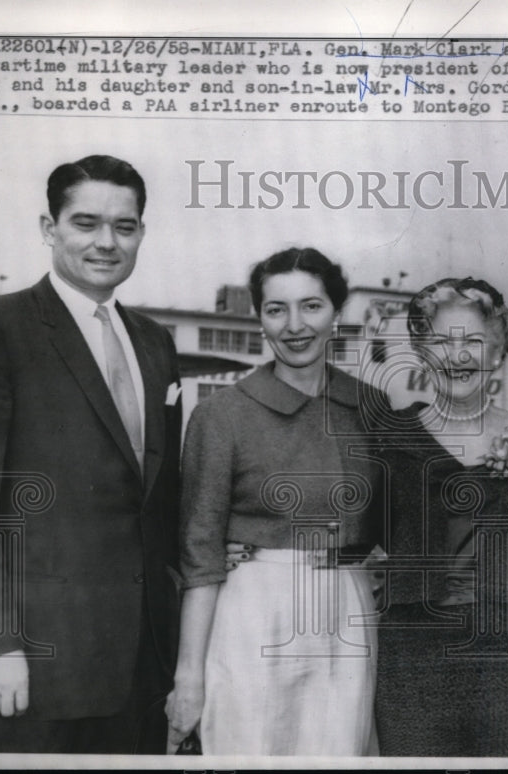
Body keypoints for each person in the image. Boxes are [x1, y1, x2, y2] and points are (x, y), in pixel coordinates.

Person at [0, 155, 182, 753]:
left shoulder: (154, 342)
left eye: (124, 226)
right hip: (29, 667)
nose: (106, 242)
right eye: (86, 222)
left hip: (140, 669)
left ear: (141, 233)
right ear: (50, 228)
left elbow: (155, 498)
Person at [165, 247, 389, 756]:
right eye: (276, 309)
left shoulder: (371, 410)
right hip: (253, 618)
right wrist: (189, 679)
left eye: (311, 306)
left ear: (338, 312)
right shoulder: (222, 417)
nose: (295, 325)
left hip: (345, 618)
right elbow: (199, 559)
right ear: (258, 318)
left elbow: (393, 526)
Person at [374, 277, 508, 757]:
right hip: (414, 662)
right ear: (421, 351)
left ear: (498, 352)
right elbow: (348, 527)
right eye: (441, 342)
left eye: (473, 342)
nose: (457, 357)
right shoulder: (389, 439)